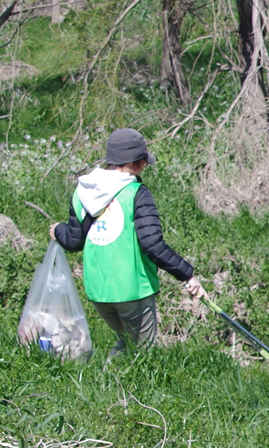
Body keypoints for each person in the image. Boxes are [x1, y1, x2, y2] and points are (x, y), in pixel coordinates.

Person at [53, 128, 204, 357]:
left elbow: (74, 241)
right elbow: (152, 245)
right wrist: (187, 274)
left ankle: (105, 384)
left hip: (99, 291)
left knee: (126, 343)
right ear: (138, 162)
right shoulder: (136, 193)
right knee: (143, 355)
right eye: (144, 162)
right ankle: (120, 388)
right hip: (132, 290)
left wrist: (57, 229)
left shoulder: (83, 192)